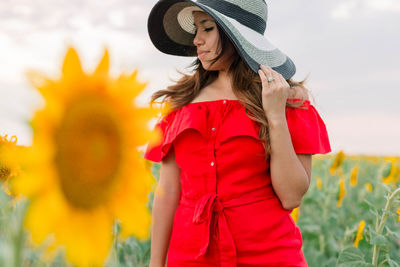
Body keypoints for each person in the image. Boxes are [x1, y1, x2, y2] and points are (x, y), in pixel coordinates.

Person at [144, 0, 331, 266]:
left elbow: (291, 196)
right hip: (189, 256)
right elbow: (168, 191)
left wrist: (275, 116)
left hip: (270, 256)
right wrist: (155, 264)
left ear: (236, 36)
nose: (196, 40)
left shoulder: (286, 97)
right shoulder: (182, 103)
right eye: (196, 29)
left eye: (207, 28)